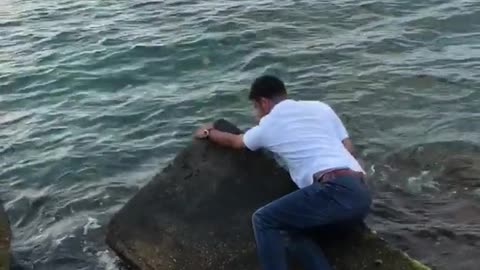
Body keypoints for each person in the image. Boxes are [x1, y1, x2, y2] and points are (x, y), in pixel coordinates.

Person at [193, 75, 372, 270]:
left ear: (263, 102)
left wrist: (209, 132)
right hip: (361, 194)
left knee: (264, 220)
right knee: (293, 232)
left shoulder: (270, 123)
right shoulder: (320, 107)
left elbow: (235, 141)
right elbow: (348, 147)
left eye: (255, 107)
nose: (256, 115)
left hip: (333, 190)